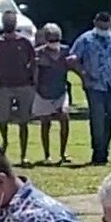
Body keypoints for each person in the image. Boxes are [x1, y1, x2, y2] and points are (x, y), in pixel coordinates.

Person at [69, 12, 111, 166]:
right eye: (101, 25)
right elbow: (73, 59)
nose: (104, 29)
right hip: (94, 86)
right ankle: (97, 152)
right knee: (97, 119)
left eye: (107, 26)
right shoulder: (85, 39)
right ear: (95, 23)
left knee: (109, 119)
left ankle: (105, 151)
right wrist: (83, 74)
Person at [0, 8, 36, 162]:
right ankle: (5, 141)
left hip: (24, 85)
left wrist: (34, 82)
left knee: (24, 122)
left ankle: (23, 154)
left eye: (12, 20)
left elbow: (33, 63)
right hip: (4, 86)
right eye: (7, 21)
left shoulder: (25, 42)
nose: (10, 23)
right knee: (2, 120)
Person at [32, 24, 72, 164]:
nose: (54, 42)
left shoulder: (66, 52)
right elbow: (33, 72)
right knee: (45, 123)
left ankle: (63, 153)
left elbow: (74, 65)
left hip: (60, 90)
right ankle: (47, 155)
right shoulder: (39, 53)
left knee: (64, 117)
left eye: (56, 39)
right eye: (51, 39)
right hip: (43, 92)